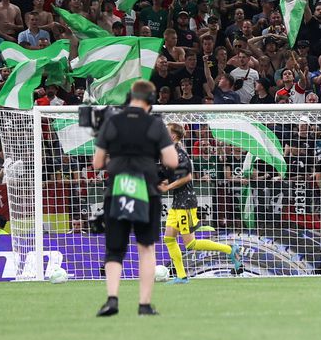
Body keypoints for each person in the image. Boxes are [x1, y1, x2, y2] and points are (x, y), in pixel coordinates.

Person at [92, 80, 179, 317]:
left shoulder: (112, 121)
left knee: (114, 249)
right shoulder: (155, 123)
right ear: (150, 101)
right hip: (146, 190)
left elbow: (97, 163)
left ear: (130, 98)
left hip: (118, 188)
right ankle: (144, 304)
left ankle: (111, 300)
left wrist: (118, 159)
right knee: (146, 248)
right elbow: (172, 161)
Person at [159, 123, 241, 284]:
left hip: (186, 202)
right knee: (169, 238)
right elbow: (177, 176)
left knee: (191, 244)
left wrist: (167, 186)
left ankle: (230, 249)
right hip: (178, 202)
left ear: (173, 136)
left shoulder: (180, 154)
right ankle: (181, 276)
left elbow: (187, 177)